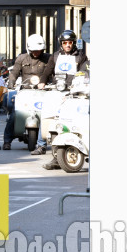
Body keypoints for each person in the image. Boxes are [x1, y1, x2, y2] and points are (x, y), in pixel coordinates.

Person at [41, 30, 89, 169]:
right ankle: (52, 154)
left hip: (73, 93)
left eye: (70, 43)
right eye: (65, 43)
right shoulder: (55, 56)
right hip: (57, 91)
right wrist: (42, 81)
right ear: (61, 44)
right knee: (52, 122)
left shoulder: (81, 56)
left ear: (74, 43)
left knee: (73, 122)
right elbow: (47, 71)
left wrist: (79, 85)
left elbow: (84, 72)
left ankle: (78, 147)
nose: (67, 45)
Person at [2, 33, 51, 150]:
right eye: (34, 50)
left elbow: (51, 72)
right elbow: (14, 72)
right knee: (14, 114)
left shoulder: (48, 58)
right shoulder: (22, 58)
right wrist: (11, 83)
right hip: (26, 91)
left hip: (43, 91)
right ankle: (7, 140)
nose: (36, 52)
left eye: (39, 50)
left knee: (49, 114)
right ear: (29, 49)